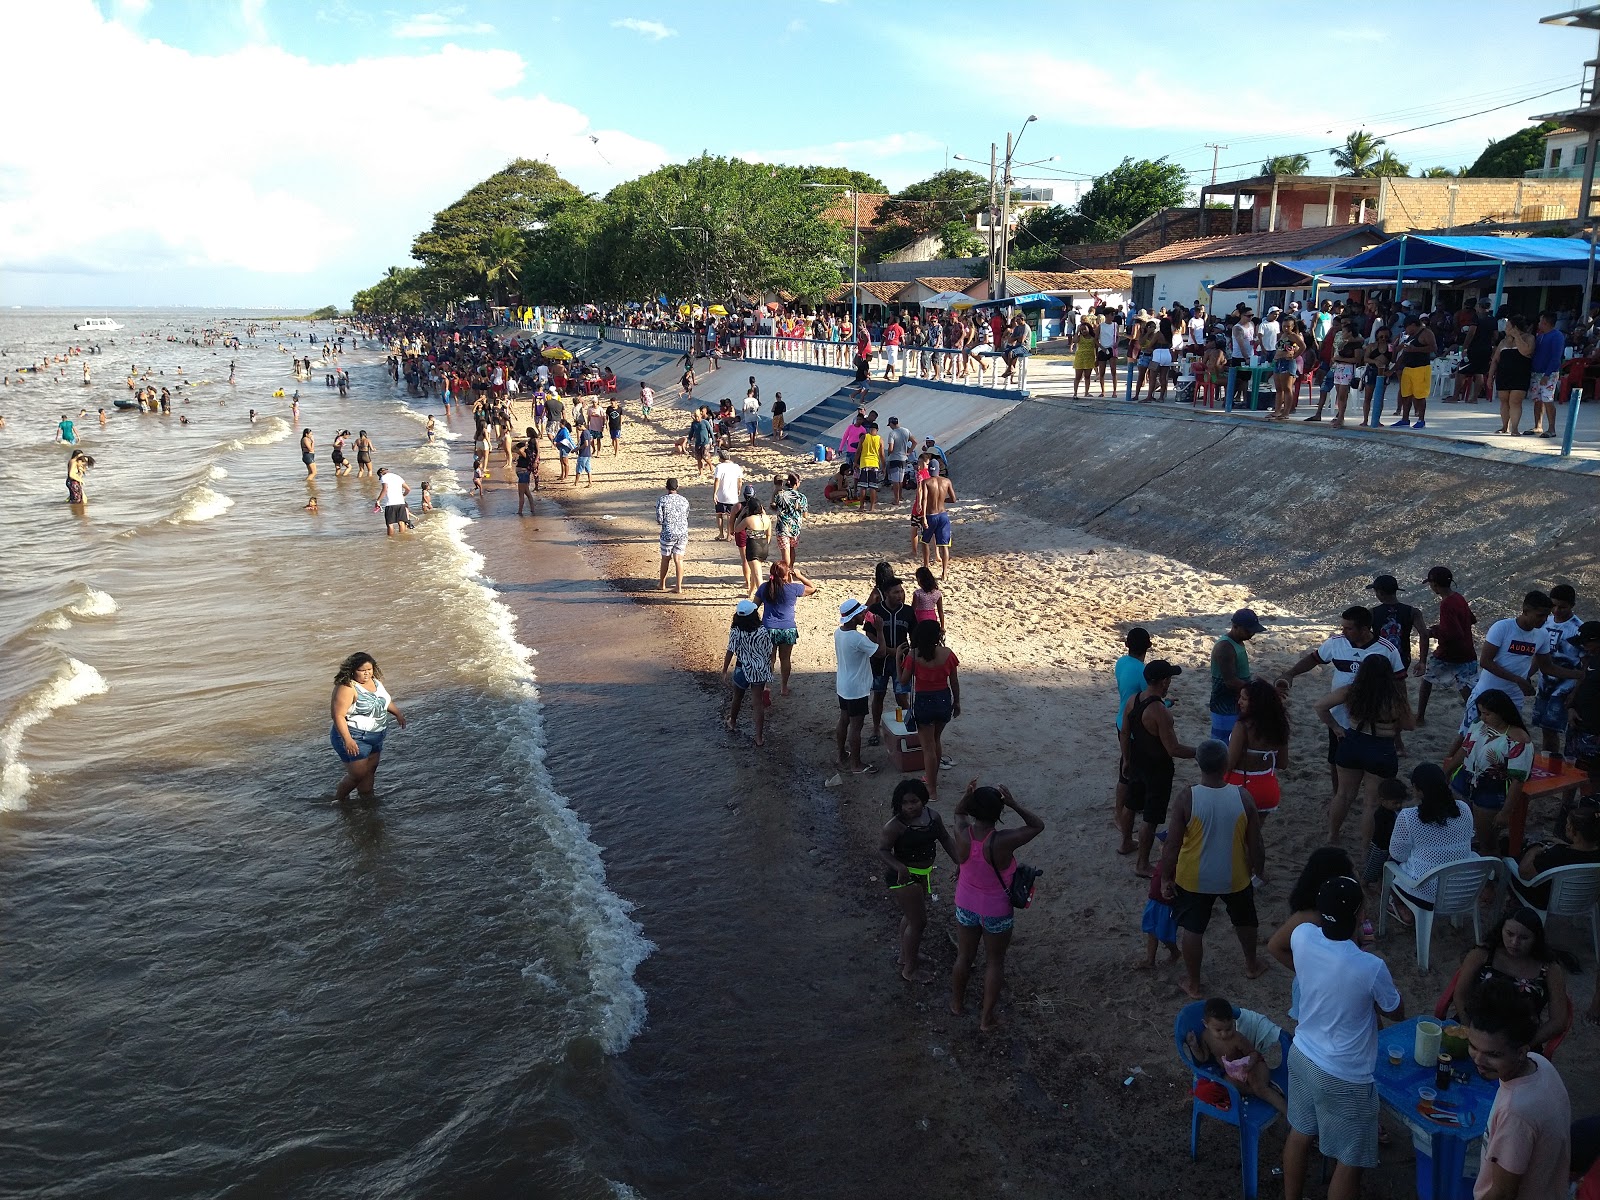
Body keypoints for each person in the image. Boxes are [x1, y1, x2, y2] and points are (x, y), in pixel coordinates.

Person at [1279, 876, 1404, 1200]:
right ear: (1361, 914)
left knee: (1300, 1134)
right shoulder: (1370, 966)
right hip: (1345, 1076)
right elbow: (1395, 1010)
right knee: (1350, 1161)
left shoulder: (1302, 936)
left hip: (1303, 1054)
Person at [1159, 738, 1267, 999]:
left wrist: (1165, 877)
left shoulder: (1187, 797)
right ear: (1226, 764)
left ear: (1199, 764)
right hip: (1235, 875)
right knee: (1245, 920)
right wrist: (1259, 871)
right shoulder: (1243, 796)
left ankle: (1194, 984)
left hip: (1194, 877)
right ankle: (1252, 965)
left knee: (1193, 930)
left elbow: (1172, 845)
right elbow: (1256, 844)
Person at [1464, 977, 1572, 1200]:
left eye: (1494, 1054)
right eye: (1473, 1046)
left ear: (1521, 1051)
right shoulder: (1540, 1063)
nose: (1479, 1060)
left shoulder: (1516, 1114)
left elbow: (1502, 1194)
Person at [950, 780, 1045, 1031]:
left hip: (965, 904)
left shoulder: (962, 832)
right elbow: (1037, 825)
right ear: (999, 813)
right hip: (996, 909)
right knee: (995, 962)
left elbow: (959, 812)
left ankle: (957, 1005)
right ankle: (986, 1019)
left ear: (972, 810)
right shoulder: (1004, 840)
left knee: (964, 956)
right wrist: (1014, 804)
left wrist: (966, 794)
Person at [1278, 606, 1405, 793]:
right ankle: (1338, 793)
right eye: (1342, 627)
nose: (1342, 632)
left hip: (1374, 719)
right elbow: (1315, 658)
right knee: (1336, 758)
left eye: (1348, 628)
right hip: (1340, 717)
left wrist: (1398, 725)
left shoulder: (1387, 649)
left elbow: (1399, 683)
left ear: (1364, 629)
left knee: (1375, 762)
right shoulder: (1336, 643)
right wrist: (1291, 673)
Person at [1316, 654, 1416, 846]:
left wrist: (1336, 727)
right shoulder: (1395, 698)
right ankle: (1365, 849)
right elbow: (1410, 725)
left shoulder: (1352, 691)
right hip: (1381, 748)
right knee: (1371, 803)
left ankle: (1333, 835)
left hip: (1352, 742)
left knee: (1343, 795)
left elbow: (1320, 706)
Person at [1454, 909, 1573, 1052]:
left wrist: (1525, 1045)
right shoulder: (1482, 955)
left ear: (1536, 938)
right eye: (1509, 934)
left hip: (1520, 1039)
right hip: (1476, 1027)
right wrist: (1470, 1032)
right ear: (1501, 930)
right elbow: (1460, 995)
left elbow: (1559, 1020)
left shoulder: (1550, 969)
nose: (1514, 942)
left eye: (1524, 938)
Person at [1266, 846, 1359, 1024]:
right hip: (1318, 989)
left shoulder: (1348, 904)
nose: (1356, 873)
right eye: (1351, 870)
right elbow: (1275, 947)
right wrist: (1310, 972)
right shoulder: (1311, 916)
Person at [878, 778, 958, 984]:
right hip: (904, 877)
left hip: (922, 874)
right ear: (898, 804)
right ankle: (910, 970)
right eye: (905, 803)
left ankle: (906, 956)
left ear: (923, 799)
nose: (910, 807)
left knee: (911, 916)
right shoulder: (895, 826)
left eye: (914, 801)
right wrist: (900, 867)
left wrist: (960, 862)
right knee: (919, 921)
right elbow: (883, 851)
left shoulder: (933, 817)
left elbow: (946, 839)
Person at [1122, 660, 1196, 877]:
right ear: (1164, 681)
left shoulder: (1133, 700)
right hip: (1157, 769)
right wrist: (1198, 751)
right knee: (1151, 818)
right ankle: (1142, 865)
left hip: (1136, 761)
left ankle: (1125, 842)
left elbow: (1125, 732)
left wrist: (1126, 759)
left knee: (1131, 803)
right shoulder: (1159, 711)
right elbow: (1173, 748)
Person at [1445, 689, 1536, 853]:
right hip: (1463, 780)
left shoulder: (1519, 740)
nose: (1482, 717)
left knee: (1487, 842)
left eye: (1487, 714)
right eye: (1480, 712)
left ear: (1501, 713)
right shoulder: (1478, 725)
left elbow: (1518, 780)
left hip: (1491, 789)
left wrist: (1505, 812)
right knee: (1456, 832)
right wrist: (1447, 772)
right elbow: (1465, 749)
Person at [1384, 762, 1476, 920]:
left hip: (1426, 895)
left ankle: (1400, 905)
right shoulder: (1464, 808)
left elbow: (1398, 855)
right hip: (1464, 889)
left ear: (1417, 788)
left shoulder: (1408, 817)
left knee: (1390, 863)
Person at [1462, 591, 1557, 741]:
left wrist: (1580, 674)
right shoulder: (1503, 627)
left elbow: (1547, 666)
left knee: (1505, 740)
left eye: (1547, 615)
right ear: (1526, 611)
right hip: (1487, 694)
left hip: (1513, 698)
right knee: (1469, 736)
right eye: (1540, 615)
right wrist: (1518, 680)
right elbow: (1485, 661)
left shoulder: (1542, 634)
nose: (1544, 620)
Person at [1184, 995, 1288, 1117]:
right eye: (1218, 1030)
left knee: (1261, 1089)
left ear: (1233, 1022)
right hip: (1233, 1073)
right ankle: (1267, 1089)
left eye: (1228, 1029)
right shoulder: (1206, 1036)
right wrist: (1194, 1046)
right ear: (1205, 1024)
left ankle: (1290, 1116)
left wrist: (1249, 1064)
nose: (1224, 1034)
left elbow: (1253, 1053)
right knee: (1228, 1086)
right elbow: (1203, 1058)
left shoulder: (1237, 1038)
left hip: (1253, 1066)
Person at [329, 652, 407, 803]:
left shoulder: (375, 682)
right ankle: (339, 801)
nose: (367, 674)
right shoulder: (347, 687)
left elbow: (383, 701)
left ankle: (367, 801)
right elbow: (337, 715)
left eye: (369, 670)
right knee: (357, 774)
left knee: (370, 770)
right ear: (352, 670)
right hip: (355, 736)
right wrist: (348, 740)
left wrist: (397, 714)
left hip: (376, 735)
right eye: (362, 670)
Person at [899, 619, 960, 800]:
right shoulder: (948, 654)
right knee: (936, 741)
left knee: (927, 748)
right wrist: (957, 702)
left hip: (924, 702)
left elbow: (903, 681)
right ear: (937, 636)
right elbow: (954, 682)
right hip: (943, 699)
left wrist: (897, 660)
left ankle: (932, 789)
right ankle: (933, 778)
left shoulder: (913, 655)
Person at [1506, 796, 1600, 909]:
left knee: (1510, 863)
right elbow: (1581, 853)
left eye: (1568, 824)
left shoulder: (1558, 855)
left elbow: (1524, 873)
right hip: (1586, 900)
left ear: (1574, 831)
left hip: (1549, 901)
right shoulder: (1593, 854)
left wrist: (1534, 849)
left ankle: (1515, 904)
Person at [1419, 565, 1479, 724]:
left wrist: (1435, 631)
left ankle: (1419, 717)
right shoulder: (1459, 597)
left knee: (1427, 678)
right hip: (1468, 652)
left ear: (1434, 585)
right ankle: (1477, 720)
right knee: (1466, 686)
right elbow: (1472, 619)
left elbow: (1454, 634)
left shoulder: (1446, 604)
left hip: (1449, 653)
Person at [1114, 628, 1155, 852]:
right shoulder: (1143, 671)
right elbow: (1147, 698)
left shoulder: (1121, 662)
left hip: (1121, 719)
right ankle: (1121, 814)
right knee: (1127, 773)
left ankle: (1120, 812)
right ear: (1146, 648)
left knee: (1124, 769)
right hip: (1133, 728)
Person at [1225, 678, 1290, 817]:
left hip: (1241, 788)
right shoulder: (1280, 725)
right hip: (1267, 790)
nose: (1239, 702)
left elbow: (1229, 764)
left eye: (1244, 699)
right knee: (1254, 835)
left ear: (1255, 703)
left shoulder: (1243, 726)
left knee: (1234, 836)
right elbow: (1282, 764)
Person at [1534, 584, 1585, 755]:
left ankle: (1553, 766)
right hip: (1544, 685)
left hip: (1565, 687)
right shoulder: (1544, 622)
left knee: (1554, 729)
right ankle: (1547, 763)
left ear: (1572, 606)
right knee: (1545, 728)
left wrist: (1575, 693)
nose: (1556, 610)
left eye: (1562, 607)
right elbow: (1538, 654)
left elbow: (1586, 665)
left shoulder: (1578, 629)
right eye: (1553, 605)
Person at [866, 576, 915, 749]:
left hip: (901, 661)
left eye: (901, 591)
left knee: (902, 695)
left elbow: (914, 636)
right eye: (896, 592)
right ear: (886, 593)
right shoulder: (874, 610)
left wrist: (911, 656)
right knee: (878, 695)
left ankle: (911, 723)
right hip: (879, 661)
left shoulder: (909, 612)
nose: (900, 594)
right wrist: (889, 651)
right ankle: (875, 729)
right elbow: (870, 635)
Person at [835, 598, 882, 776]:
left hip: (843, 684)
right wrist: (879, 630)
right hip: (856, 688)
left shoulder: (838, 632)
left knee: (843, 720)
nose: (865, 616)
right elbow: (881, 652)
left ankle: (841, 756)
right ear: (854, 617)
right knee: (856, 726)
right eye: (862, 613)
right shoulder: (857, 638)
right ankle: (856, 764)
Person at [721, 599, 774, 747]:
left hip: (742, 668)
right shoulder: (762, 631)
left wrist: (725, 670)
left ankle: (732, 722)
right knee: (757, 704)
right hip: (758, 670)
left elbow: (730, 651)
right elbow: (768, 652)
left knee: (737, 697)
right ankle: (758, 738)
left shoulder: (736, 631)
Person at [1209, 608, 1266, 742]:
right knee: (1225, 745)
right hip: (1224, 707)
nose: (1252, 633)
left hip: (1236, 703)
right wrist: (1258, 689)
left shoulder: (1237, 642)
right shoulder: (1225, 648)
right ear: (1235, 626)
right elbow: (1230, 681)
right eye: (1248, 630)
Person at [757, 561, 814, 696]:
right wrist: (799, 576)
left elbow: (754, 606)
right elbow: (812, 588)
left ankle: (767, 687)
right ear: (785, 575)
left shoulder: (764, 588)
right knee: (785, 659)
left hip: (768, 628)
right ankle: (784, 687)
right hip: (788, 629)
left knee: (769, 659)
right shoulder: (793, 588)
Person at [1488, 313, 1535, 436]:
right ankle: (1504, 426)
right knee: (1504, 400)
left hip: (1520, 374)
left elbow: (1526, 352)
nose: (1505, 329)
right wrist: (1490, 376)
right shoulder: (1503, 342)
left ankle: (1514, 428)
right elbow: (1495, 360)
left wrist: (1517, 337)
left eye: (1508, 326)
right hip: (1503, 374)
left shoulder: (1529, 338)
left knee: (1515, 401)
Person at [1528, 310, 1567, 438]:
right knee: (1537, 399)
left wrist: (1547, 374)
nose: (1539, 323)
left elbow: (1556, 357)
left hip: (1548, 373)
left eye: (1540, 321)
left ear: (1545, 322)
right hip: (1536, 372)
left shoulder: (1557, 336)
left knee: (1548, 399)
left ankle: (1552, 428)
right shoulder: (1540, 336)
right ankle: (1537, 425)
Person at [916, 460, 957, 580]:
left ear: (929, 470)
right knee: (944, 545)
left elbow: (924, 500)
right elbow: (953, 499)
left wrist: (923, 517)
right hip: (943, 515)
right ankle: (944, 573)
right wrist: (942, 500)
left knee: (925, 541)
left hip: (930, 515)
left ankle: (926, 567)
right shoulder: (947, 481)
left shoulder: (926, 482)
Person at [731, 490, 772, 599]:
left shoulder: (749, 519)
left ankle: (764, 599)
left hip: (753, 547)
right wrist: (764, 544)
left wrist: (741, 516)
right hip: (764, 546)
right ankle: (750, 593)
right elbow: (769, 535)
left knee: (758, 576)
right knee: (755, 572)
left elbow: (736, 529)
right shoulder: (767, 519)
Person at [656, 477, 689, 594]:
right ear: (677, 488)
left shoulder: (662, 500)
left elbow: (659, 519)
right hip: (682, 533)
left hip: (668, 533)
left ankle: (662, 584)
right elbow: (686, 516)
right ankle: (678, 587)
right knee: (679, 559)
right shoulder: (684, 500)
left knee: (665, 558)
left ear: (666, 488)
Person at [711, 451, 743, 540]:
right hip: (732, 494)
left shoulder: (719, 467)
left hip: (721, 494)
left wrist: (714, 493)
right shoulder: (736, 467)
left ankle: (721, 533)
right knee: (731, 516)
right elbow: (740, 480)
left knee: (719, 514)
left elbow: (717, 480)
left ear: (721, 458)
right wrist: (739, 489)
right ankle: (729, 535)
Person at [855, 421, 883, 511]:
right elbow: (882, 454)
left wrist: (855, 462)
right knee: (873, 487)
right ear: (877, 430)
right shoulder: (880, 439)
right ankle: (872, 507)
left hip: (864, 463)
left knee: (863, 486)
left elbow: (858, 450)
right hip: (874, 464)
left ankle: (861, 506)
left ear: (869, 429)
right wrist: (884, 465)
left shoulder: (864, 437)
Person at [375, 466, 411, 537]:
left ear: (381, 473)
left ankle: (391, 540)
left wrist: (378, 500)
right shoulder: (397, 476)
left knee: (390, 524)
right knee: (401, 522)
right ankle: (402, 538)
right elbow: (408, 489)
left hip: (390, 504)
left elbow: (385, 489)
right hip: (401, 503)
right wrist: (403, 496)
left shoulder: (384, 477)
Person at [515, 429, 539, 515]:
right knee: (527, 493)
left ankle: (520, 511)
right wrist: (522, 444)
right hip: (522, 474)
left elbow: (520, 450)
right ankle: (532, 509)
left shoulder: (526, 454)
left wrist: (523, 446)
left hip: (523, 474)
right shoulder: (525, 453)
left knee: (521, 493)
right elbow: (513, 449)